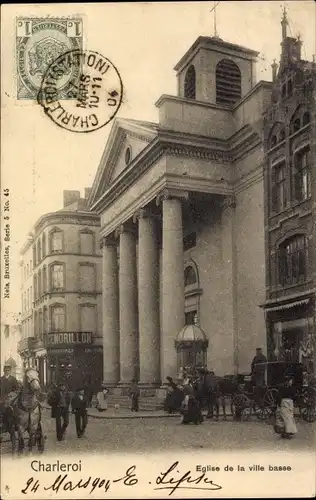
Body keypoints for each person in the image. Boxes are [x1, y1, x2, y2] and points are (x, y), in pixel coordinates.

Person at [0, 364, 20, 433]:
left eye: (8, 370)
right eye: (5, 370)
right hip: (2, 398)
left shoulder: (13, 379)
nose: (7, 371)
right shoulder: (1, 379)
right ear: (3, 371)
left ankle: (16, 423)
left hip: (11, 398)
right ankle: (4, 424)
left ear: (10, 371)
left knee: (15, 409)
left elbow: (17, 389)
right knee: (3, 410)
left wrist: (12, 394)